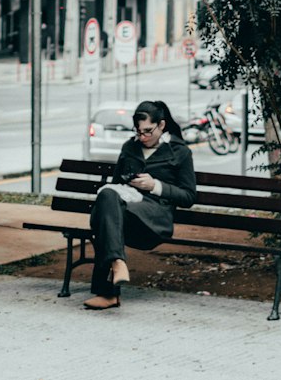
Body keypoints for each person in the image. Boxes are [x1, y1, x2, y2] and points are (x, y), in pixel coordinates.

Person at [84, 98, 197, 310]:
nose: (143, 137)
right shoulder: (130, 147)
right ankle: (118, 264)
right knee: (107, 197)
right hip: (126, 212)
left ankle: (108, 292)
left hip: (154, 221)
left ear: (161, 125)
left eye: (147, 131)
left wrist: (155, 185)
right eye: (138, 131)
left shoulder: (180, 152)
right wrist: (127, 184)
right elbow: (116, 184)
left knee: (104, 217)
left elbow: (189, 197)